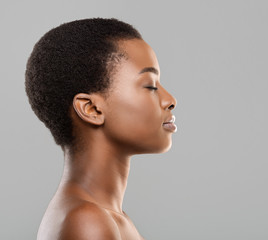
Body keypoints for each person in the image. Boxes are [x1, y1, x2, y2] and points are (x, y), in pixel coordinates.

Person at [25, 18, 177, 240]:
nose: (170, 100)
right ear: (91, 109)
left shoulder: (110, 216)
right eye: (150, 85)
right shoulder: (87, 220)